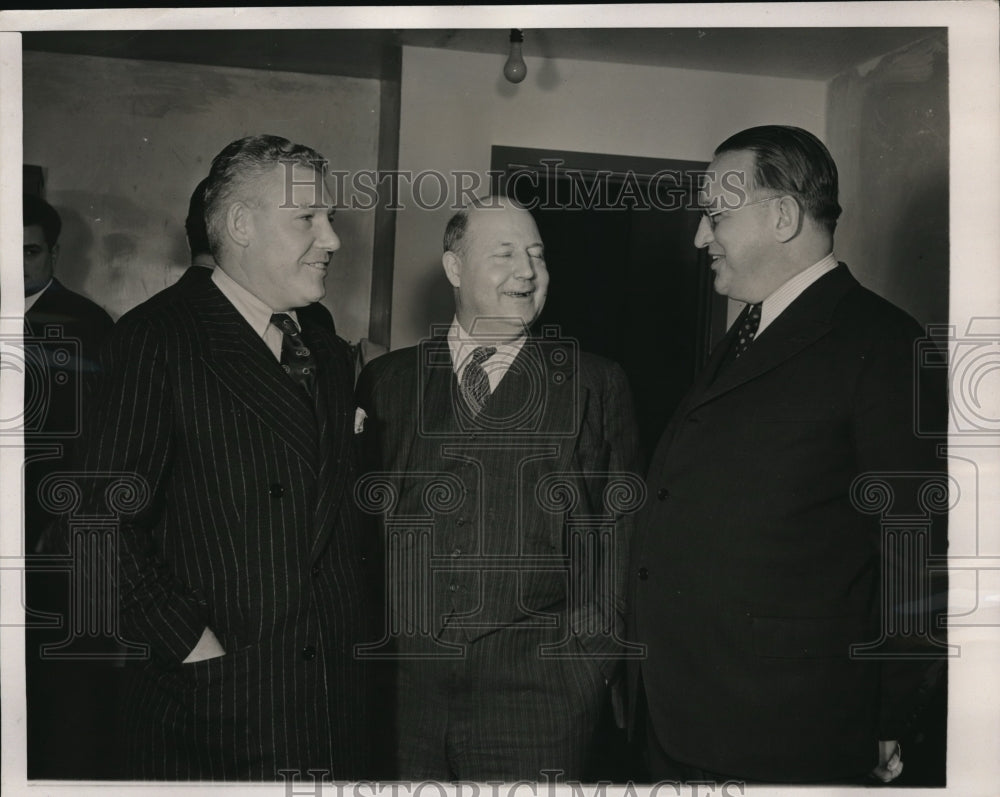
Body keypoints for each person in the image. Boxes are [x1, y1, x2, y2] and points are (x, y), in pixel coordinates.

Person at [628, 125, 946, 784]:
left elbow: (915, 547)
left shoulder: (883, 343)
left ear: (781, 215)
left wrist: (887, 713)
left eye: (715, 215)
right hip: (688, 712)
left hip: (787, 728)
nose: (698, 237)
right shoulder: (748, 326)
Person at [65, 135, 377, 780]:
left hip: (330, 705)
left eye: (331, 219)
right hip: (220, 710)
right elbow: (92, 525)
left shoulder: (319, 339)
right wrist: (194, 651)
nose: (332, 240)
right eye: (307, 219)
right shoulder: (157, 338)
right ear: (239, 224)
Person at [355, 197, 642, 781]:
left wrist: (590, 666)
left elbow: (622, 533)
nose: (528, 272)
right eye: (505, 254)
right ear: (455, 268)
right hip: (404, 697)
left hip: (542, 699)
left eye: (537, 255)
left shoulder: (594, 383)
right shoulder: (388, 381)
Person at [22, 193, 116, 778]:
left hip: (48, 536)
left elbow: (99, 447)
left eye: (28, 251)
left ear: (54, 253)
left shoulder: (86, 325)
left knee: (53, 686)